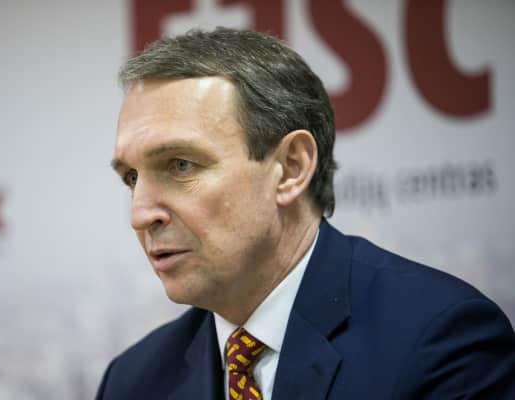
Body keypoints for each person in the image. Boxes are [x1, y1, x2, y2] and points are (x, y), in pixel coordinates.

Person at [96, 28, 515, 399]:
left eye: (180, 165)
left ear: (291, 168)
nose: (140, 214)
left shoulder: (441, 341)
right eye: (131, 177)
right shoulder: (132, 382)